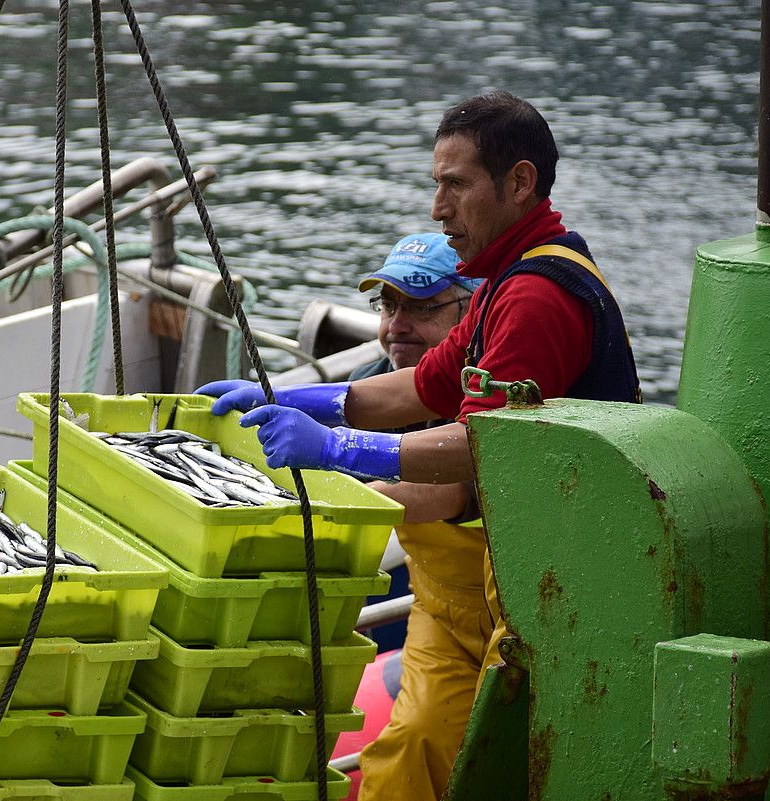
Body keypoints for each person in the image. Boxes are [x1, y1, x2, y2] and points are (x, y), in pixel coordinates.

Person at [199, 91, 641, 800]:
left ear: (520, 183)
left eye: (455, 185)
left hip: (557, 588)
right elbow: (423, 388)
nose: (439, 207)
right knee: (409, 755)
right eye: (437, 185)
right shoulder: (507, 280)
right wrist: (290, 397)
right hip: (499, 584)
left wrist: (336, 447)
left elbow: (480, 448)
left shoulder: (534, 298)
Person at [349, 232, 496, 801]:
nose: (397, 326)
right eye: (389, 306)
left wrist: (346, 483)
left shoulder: (492, 385)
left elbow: (453, 490)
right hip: (443, 614)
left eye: (421, 306)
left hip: (525, 619)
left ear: (471, 313)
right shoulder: (378, 387)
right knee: (408, 748)